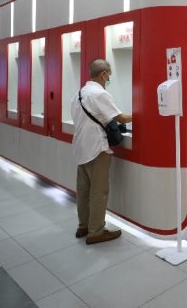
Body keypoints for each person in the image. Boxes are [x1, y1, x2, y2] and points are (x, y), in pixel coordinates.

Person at [71, 59, 132, 244]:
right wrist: (143, 113)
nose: (109, 78)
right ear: (104, 73)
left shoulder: (79, 94)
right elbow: (121, 118)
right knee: (99, 191)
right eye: (109, 74)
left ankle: (83, 226)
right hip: (96, 149)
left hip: (81, 148)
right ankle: (96, 232)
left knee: (83, 191)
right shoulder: (99, 93)